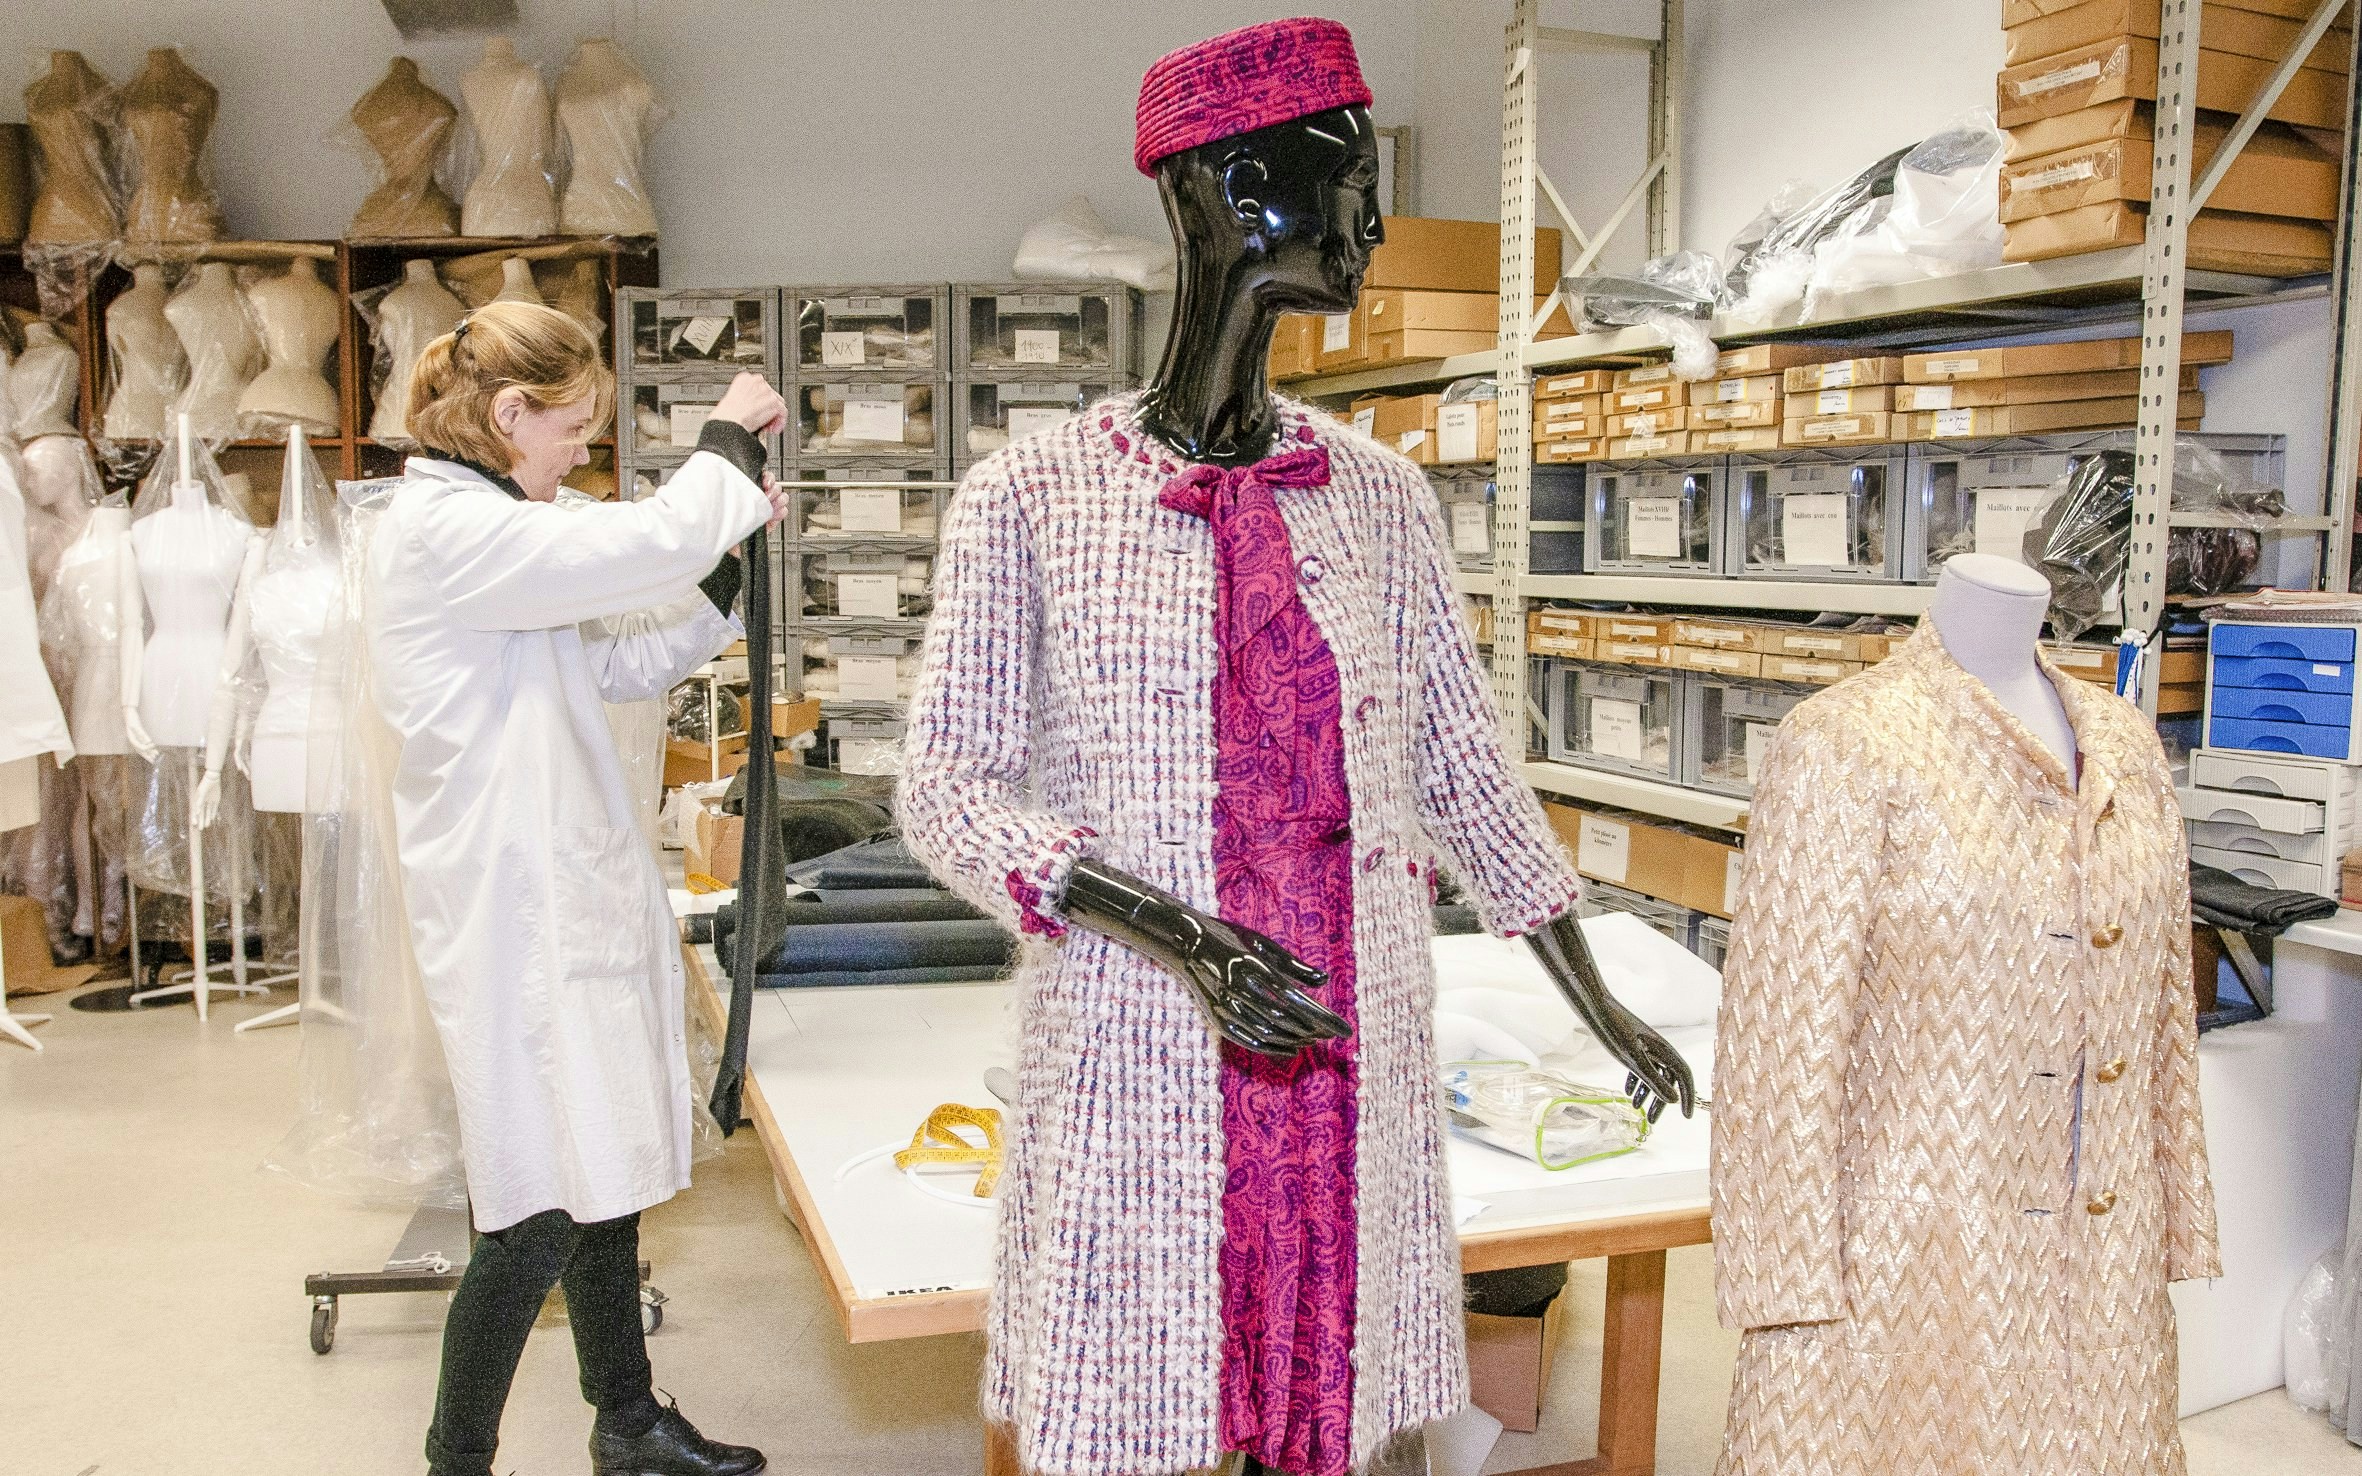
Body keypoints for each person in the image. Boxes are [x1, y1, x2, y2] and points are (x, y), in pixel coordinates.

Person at [363, 300, 788, 1476]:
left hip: (559, 883)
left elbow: (616, 656)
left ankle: (628, 1421)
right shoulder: (449, 530)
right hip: (513, 906)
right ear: (508, 417)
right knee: (537, 1203)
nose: (577, 457)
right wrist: (728, 446)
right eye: (570, 432)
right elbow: (640, 542)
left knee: (598, 1159)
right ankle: (458, 1461)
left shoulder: (502, 529)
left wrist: (724, 572)